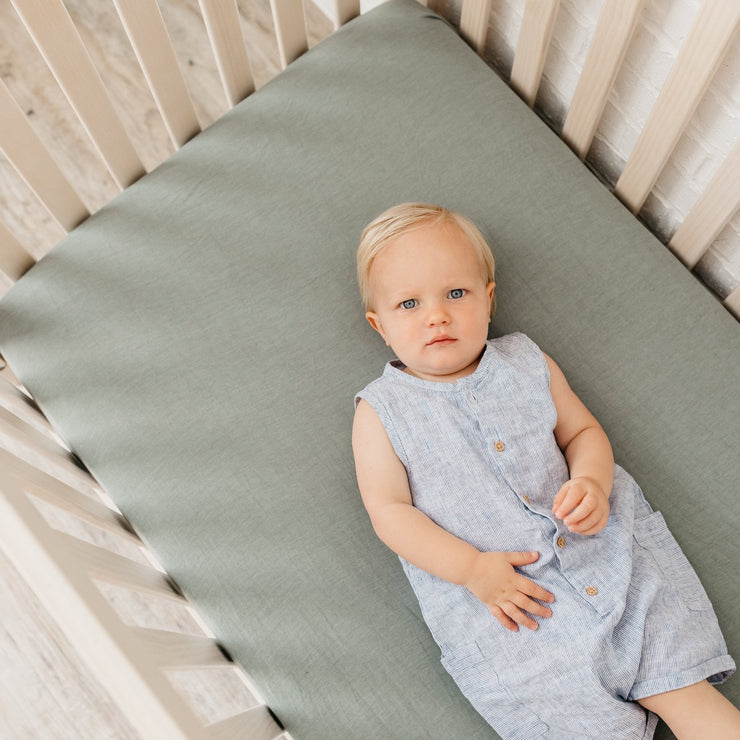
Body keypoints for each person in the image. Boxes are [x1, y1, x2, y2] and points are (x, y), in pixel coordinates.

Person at [352, 202, 739, 739]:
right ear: (381, 326)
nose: (436, 315)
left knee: (684, 691)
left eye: (456, 293)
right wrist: (470, 569)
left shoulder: (526, 361)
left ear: (489, 299)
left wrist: (592, 481)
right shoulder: (382, 410)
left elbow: (583, 434)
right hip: (515, 611)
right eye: (409, 303)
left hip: (604, 562)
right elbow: (389, 512)